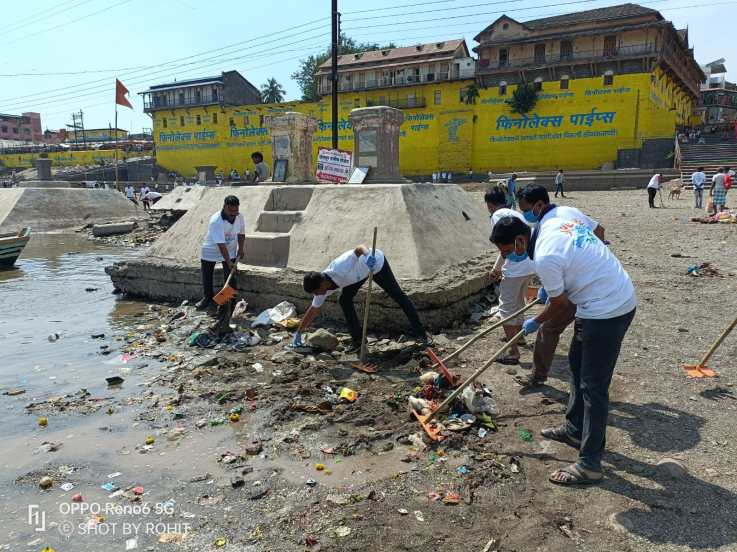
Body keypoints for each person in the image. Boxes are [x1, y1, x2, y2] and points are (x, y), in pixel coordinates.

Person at [491, 215, 635, 486]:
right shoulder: (550, 224)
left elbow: (559, 305)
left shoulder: (544, 256)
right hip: (596, 298)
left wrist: (536, 321)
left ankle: (590, 464)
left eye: (509, 251)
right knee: (576, 365)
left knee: (593, 386)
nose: (508, 258)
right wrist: (550, 288)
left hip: (608, 308)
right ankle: (574, 429)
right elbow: (570, 264)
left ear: (522, 240)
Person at [516, 184, 605, 386]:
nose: (525, 215)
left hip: (582, 289)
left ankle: (538, 376)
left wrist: (536, 319)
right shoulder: (567, 211)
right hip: (582, 282)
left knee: (548, 328)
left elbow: (558, 302)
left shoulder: (549, 227)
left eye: (526, 210)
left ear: (539, 205)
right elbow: (599, 230)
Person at [295, 246, 430, 353]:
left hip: (375, 264)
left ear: (322, 283)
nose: (317, 295)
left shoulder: (339, 267)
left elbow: (359, 248)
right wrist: (299, 332)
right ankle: (358, 341)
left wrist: (368, 256)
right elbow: (313, 310)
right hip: (356, 276)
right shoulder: (322, 290)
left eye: (317, 291)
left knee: (398, 295)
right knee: (344, 300)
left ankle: (421, 335)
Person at [485, 187, 536, 364]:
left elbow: (504, 248)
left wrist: (497, 268)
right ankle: (519, 337)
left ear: (490, 205)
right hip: (530, 264)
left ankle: (512, 351)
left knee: (506, 307)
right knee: (519, 302)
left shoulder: (497, 217)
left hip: (515, 269)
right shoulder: (511, 213)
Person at [195, 195, 246, 312]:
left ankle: (226, 303)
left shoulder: (239, 217)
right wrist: (228, 262)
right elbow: (221, 244)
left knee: (231, 277)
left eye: (235, 211)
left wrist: (241, 249)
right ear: (224, 207)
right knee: (207, 276)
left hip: (230, 250)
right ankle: (207, 298)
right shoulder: (216, 220)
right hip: (211, 249)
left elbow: (241, 234)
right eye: (230, 211)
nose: (233, 213)